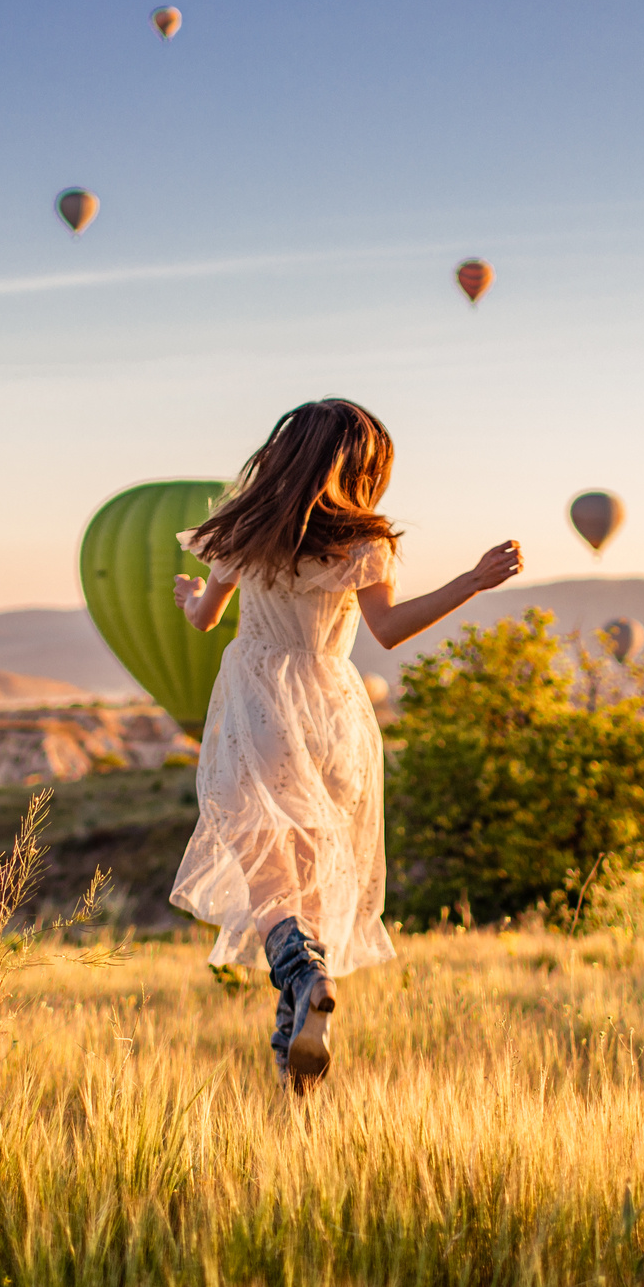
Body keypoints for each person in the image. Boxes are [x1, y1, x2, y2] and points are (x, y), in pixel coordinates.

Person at [171, 399, 523, 1090]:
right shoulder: (365, 540)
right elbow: (389, 629)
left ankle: (306, 978)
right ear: (363, 466)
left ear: (284, 453)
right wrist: (472, 582)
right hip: (334, 713)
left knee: (272, 888)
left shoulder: (243, 528)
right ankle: (294, 1071)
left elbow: (206, 618)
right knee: (307, 893)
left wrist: (190, 595)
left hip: (257, 707)